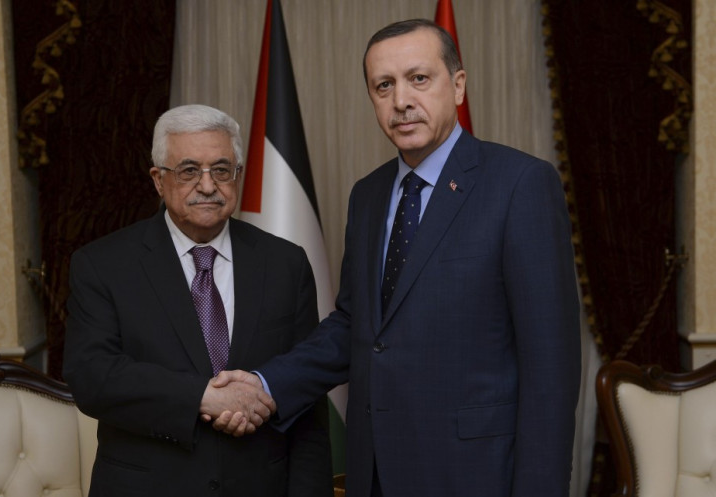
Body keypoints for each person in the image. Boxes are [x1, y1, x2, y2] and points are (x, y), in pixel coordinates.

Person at [216, 18, 581, 497]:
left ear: (458, 85)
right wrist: (266, 384)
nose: (401, 101)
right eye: (383, 85)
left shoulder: (520, 185)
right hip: (375, 471)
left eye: (419, 78)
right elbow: (356, 326)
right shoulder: (367, 196)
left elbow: (550, 366)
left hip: (475, 474)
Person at [62, 104, 333, 497]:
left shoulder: (285, 263)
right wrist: (204, 397)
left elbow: (308, 399)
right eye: (189, 170)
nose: (207, 186)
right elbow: (93, 377)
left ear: (237, 176)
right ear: (158, 180)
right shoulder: (102, 265)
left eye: (221, 170)